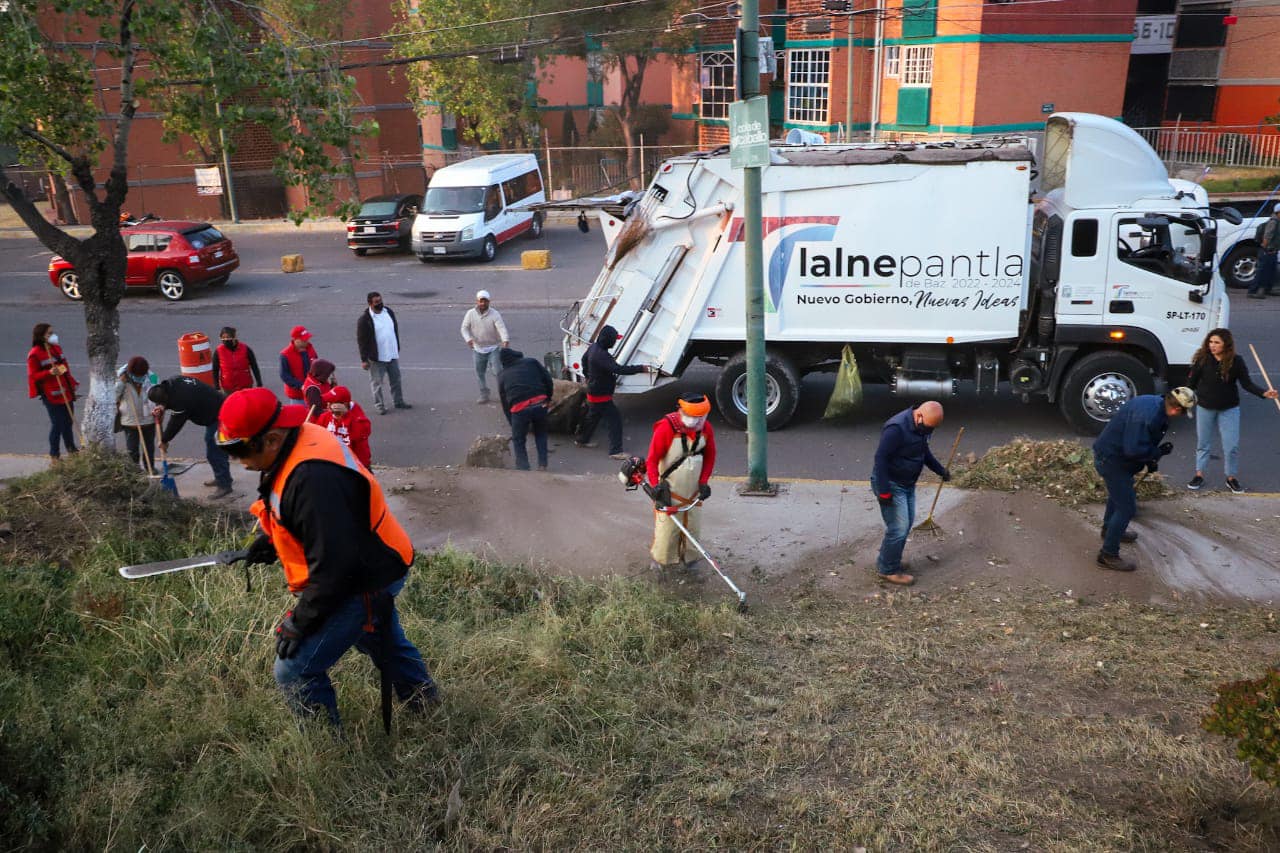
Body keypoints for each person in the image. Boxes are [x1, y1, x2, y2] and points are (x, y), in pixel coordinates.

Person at [215, 387, 438, 727]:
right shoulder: (300, 439)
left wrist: (299, 622)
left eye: (240, 449)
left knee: (295, 669)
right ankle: (427, 706)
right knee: (382, 640)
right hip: (372, 560)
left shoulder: (312, 478)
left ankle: (325, 750)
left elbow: (336, 570)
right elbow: (316, 523)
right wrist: (272, 540)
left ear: (272, 438)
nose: (236, 459)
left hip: (363, 578)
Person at [1092, 387, 1196, 572]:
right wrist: (1156, 453)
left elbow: (1143, 442)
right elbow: (1132, 450)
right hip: (1111, 460)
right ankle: (1107, 555)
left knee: (1119, 496)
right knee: (1126, 507)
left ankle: (1109, 530)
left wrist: (1151, 459)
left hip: (1117, 459)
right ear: (1177, 409)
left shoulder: (1157, 404)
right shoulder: (1147, 415)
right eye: (1182, 413)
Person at [1185, 328, 1277, 493]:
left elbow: (1246, 384)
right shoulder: (1202, 359)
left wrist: (1264, 393)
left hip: (1229, 408)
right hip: (1205, 407)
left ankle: (1231, 477)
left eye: (1217, 343)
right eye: (1210, 342)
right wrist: (1183, 400)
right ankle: (1199, 474)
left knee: (1231, 445)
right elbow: (1191, 384)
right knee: (1203, 443)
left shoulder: (1236, 361)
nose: (1212, 346)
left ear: (1226, 344)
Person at [870, 401, 949, 586]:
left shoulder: (922, 429)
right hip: (891, 484)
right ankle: (888, 571)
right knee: (898, 528)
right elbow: (880, 459)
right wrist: (884, 493)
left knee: (904, 526)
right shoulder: (896, 429)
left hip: (907, 483)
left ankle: (890, 560)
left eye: (932, 430)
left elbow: (924, 452)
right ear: (919, 416)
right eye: (928, 428)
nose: (929, 432)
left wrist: (940, 470)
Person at [644, 393, 717, 572]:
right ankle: (659, 565)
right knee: (666, 533)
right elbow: (651, 461)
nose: (700, 422)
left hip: (693, 494)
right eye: (695, 418)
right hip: (669, 493)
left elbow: (710, 456)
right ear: (682, 412)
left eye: (702, 417)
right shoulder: (666, 429)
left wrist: (703, 482)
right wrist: (656, 487)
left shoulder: (706, 429)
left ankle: (691, 562)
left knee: (693, 529)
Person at [149, 376, 233, 498]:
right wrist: (162, 406)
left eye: (162, 402)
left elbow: (175, 424)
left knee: (214, 451)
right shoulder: (172, 383)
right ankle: (222, 477)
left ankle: (224, 485)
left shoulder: (182, 399)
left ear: (166, 397)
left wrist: (164, 440)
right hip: (215, 407)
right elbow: (171, 404)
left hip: (220, 414)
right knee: (216, 447)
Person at [575, 324, 649, 460]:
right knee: (614, 421)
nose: (615, 342)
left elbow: (584, 360)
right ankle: (616, 451)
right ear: (608, 340)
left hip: (593, 390)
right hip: (601, 394)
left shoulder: (593, 348)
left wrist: (587, 375)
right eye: (614, 339)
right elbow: (619, 369)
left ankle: (582, 440)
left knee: (593, 416)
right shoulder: (602, 356)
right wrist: (640, 368)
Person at [26, 322, 79, 462]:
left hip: (65, 391)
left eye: (52, 333)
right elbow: (33, 375)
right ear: (41, 336)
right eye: (49, 333)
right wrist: (49, 372)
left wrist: (72, 383)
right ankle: (54, 455)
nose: (53, 335)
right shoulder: (35, 354)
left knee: (68, 422)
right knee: (58, 424)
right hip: (51, 394)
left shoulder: (56, 348)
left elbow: (65, 367)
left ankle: (72, 449)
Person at [497, 347, 554, 471]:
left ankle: (524, 469)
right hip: (540, 403)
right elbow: (548, 380)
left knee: (518, 439)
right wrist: (548, 398)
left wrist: (511, 421)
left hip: (519, 409)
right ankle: (542, 465)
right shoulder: (531, 362)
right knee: (541, 434)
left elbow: (505, 401)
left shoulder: (502, 375)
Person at [357, 291, 412, 415]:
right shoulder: (365, 320)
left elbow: (394, 330)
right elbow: (362, 341)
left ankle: (398, 401)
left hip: (391, 354)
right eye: (376, 302)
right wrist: (364, 360)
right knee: (377, 383)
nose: (380, 304)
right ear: (370, 304)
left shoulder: (388, 312)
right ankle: (380, 405)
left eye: (380, 301)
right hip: (377, 357)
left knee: (396, 379)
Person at [459, 290, 508, 404]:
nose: (483, 303)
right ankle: (484, 394)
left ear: (489, 302)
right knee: (479, 372)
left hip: (493, 348)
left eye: (485, 301)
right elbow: (464, 328)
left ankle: (503, 394)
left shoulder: (495, 314)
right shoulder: (470, 314)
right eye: (481, 301)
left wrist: (505, 340)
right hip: (478, 349)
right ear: (477, 301)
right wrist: (468, 339)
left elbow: (501, 328)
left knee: (498, 372)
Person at [115, 356, 156, 473]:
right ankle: (134, 471)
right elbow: (113, 397)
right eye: (137, 375)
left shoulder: (152, 377)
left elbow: (159, 393)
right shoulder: (120, 379)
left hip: (149, 420)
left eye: (141, 375)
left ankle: (150, 468)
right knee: (132, 449)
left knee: (149, 448)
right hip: (130, 422)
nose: (139, 378)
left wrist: (159, 408)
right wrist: (120, 384)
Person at [315, 386, 373, 469]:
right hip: (333, 463)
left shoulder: (357, 418)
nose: (327, 405)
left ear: (344, 404)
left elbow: (361, 434)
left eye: (331, 402)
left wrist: (346, 415)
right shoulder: (325, 417)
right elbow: (317, 436)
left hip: (355, 466)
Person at [211, 326, 262, 393]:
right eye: (223, 338)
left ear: (234, 337)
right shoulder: (218, 351)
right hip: (228, 387)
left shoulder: (245, 349)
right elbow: (215, 370)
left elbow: (254, 366)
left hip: (245, 385)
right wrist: (216, 386)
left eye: (228, 337)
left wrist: (259, 382)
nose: (226, 340)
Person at [1247, 203, 1279, 299]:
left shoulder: (1277, 221)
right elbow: (1267, 236)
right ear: (1278, 212)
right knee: (1262, 272)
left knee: (1271, 271)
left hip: (1273, 251)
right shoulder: (1273, 222)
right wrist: (1265, 248)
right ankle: (1252, 291)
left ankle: (1268, 289)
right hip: (1267, 251)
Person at [279, 325, 318, 402]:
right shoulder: (285, 355)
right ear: (296, 340)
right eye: (304, 340)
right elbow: (284, 375)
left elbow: (316, 364)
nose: (307, 341)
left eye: (307, 338)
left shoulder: (310, 348)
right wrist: (302, 386)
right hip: (297, 396)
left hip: (312, 393)